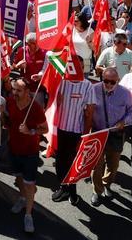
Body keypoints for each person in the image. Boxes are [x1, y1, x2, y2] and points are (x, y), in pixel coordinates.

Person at [5, 78, 48, 234]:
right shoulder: (10, 101)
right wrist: (2, 115)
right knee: (19, 178)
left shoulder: (35, 108)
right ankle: (23, 198)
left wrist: (30, 131)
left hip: (30, 152)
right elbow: (7, 122)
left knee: (29, 184)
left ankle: (28, 215)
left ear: (27, 92)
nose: (15, 93)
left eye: (19, 90)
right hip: (13, 149)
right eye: (14, 89)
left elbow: (45, 129)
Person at [50, 61, 96, 205]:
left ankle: (73, 192)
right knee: (60, 161)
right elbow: (53, 105)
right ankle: (63, 187)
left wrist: (85, 136)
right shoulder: (62, 83)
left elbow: (89, 114)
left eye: (80, 67)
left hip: (76, 132)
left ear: (83, 68)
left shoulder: (88, 85)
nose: (77, 70)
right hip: (61, 130)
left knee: (73, 163)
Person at [90, 67, 132, 203]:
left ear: (118, 81)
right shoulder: (94, 89)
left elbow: (131, 112)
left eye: (112, 82)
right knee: (96, 165)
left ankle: (107, 184)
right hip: (98, 132)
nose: (108, 84)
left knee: (113, 165)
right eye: (105, 81)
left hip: (116, 134)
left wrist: (123, 121)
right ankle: (97, 190)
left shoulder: (125, 93)